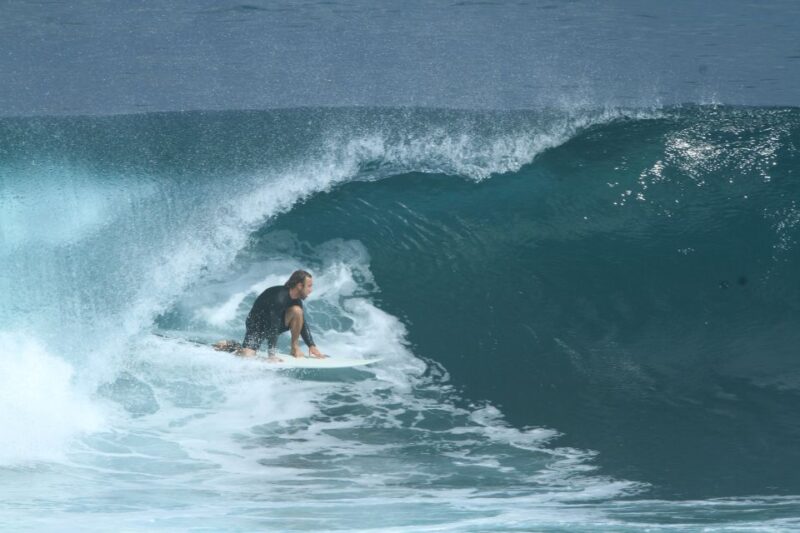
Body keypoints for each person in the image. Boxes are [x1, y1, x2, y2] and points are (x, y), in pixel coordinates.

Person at [213, 270, 325, 362]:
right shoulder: (279, 298)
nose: (311, 290)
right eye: (309, 286)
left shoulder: (295, 299)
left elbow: (302, 322)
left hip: (275, 323)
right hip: (257, 325)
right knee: (247, 357)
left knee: (297, 311)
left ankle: (294, 347)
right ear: (300, 286)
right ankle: (233, 347)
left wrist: (311, 345)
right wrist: (271, 355)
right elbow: (274, 326)